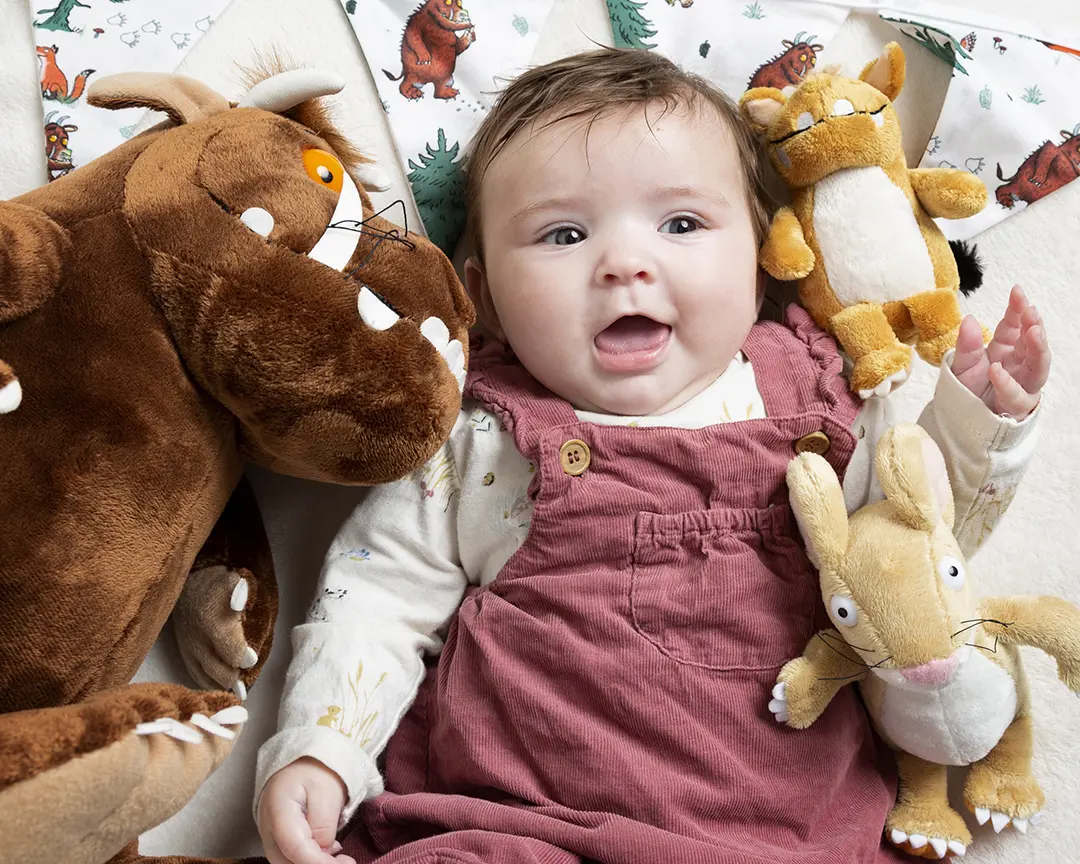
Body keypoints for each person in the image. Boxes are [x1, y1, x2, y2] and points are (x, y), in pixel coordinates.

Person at [255, 47, 1050, 864]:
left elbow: (920, 547)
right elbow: (374, 602)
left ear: (762, 258)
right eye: (564, 233)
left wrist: (982, 416)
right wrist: (323, 750)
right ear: (482, 295)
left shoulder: (819, 408)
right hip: (514, 822)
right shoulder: (483, 438)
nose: (626, 265)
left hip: (783, 835)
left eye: (681, 225)